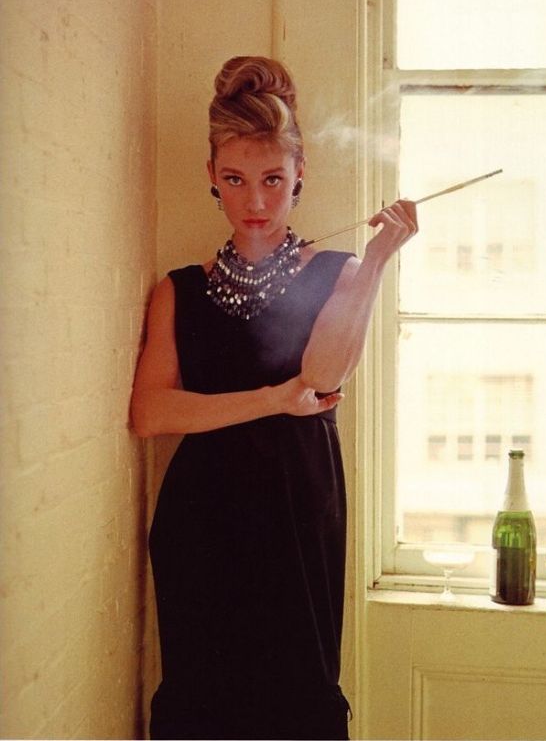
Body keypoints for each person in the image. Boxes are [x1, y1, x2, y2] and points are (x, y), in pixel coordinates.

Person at [131, 55, 418, 740]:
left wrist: (379, 260)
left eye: (272, 180)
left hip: (297, 511)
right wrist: (271, 399)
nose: (255, 203)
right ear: (211, 176)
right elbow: (150, 413)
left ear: (299, 174)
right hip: (201, 520)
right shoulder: (179, 289)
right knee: (202, 703)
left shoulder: (339, 271)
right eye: (235, 180)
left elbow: (322, 375)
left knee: (299, 698)